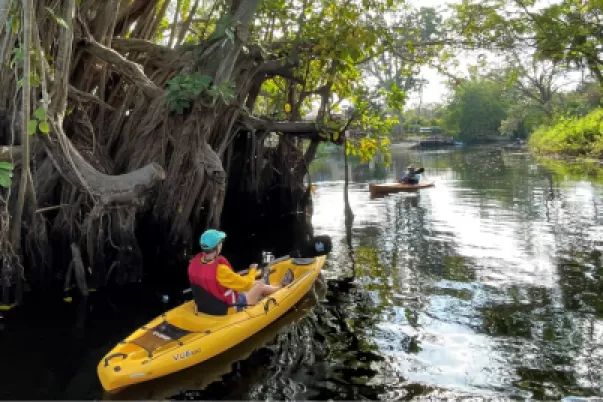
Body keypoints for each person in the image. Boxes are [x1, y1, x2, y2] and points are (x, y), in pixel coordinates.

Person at [188, 229, 292, 315]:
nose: (221, 244)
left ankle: (277, 288)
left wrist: (235, 277)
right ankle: (283, 288)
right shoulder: (220, 270)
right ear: (217, 247)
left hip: (208, 306)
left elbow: (217, 282)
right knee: (259, 285)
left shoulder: (193, 263)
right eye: (220, 242)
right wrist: (252, 270)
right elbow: (247, 284)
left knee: (258, 283)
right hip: (230, 308)